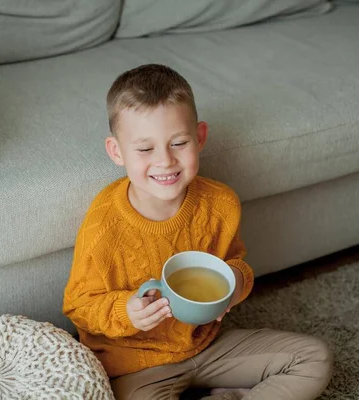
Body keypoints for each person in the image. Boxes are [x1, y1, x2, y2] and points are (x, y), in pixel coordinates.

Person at [63, 64, 333, 400]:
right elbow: (77, 306)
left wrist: (235, 283)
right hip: (138, 368)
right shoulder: (105, 223)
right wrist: (126, 311)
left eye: (178, 143)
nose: (165, 161)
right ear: (117, 152)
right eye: (145, 149)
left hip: (207, 346)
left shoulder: (221, 203)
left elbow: (236, 264)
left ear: (200, 137)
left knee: (314, 358)